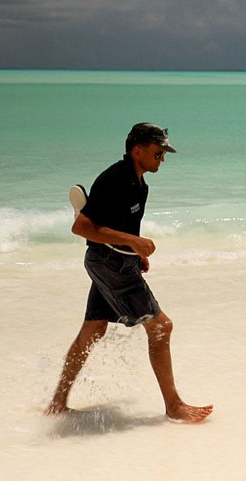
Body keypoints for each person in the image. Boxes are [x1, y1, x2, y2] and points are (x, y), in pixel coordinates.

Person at [45, 122, 213, 423]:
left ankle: (57, 403)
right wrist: (133, 242)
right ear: (138, 150)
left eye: (164, 154)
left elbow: (121, 226)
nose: (162, 158)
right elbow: (81, 227)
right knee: (162, 327)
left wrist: (134, 255)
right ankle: (174, 406)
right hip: (108, 264)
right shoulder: (115, 180)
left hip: (112, 261)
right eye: (158, 153)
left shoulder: (139, 183)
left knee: (93, 330)